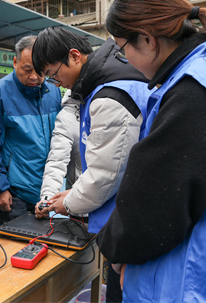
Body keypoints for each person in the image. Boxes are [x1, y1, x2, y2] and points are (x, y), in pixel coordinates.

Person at [97, 0, 206, 302]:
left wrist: (117, 249)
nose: (125, 59)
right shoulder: (198, 72)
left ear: (148, 40)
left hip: (184, 276)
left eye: (122, 49)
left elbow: (155, 203)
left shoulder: (192, 92)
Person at [31, 26, 151, 303]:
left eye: (53, 74)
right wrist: (64, 195)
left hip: (132, 220)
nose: (56, 83)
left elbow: (105, 176)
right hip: (132, 213)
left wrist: (68, 202)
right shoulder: (107, 81)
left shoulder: (108, 96)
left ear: (74, 56)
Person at [0, 36, 61, 235]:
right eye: (27, 69)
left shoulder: (53, 92)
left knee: (40, 246)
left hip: (44, 192)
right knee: (8, 248)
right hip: (12, 193)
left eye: (40, 71)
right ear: (15, 62)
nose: (34, 77)